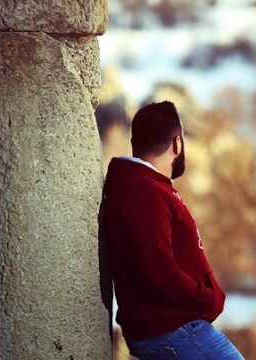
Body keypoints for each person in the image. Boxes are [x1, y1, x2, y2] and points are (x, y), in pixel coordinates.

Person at [101, 101, 244, 360]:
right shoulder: (143, 191)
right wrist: (207, 299)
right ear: (177, 143)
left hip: (175, 327)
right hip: (171, 329)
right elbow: (159, 270)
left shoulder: (146, 187)